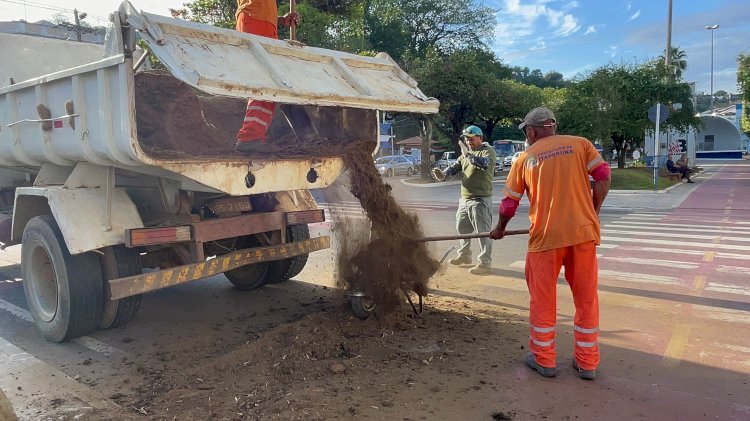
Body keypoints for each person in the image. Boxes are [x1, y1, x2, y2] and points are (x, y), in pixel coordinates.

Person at [490, 107, 611, 380]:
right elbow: (603, 176)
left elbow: (509, 204)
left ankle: (544, 359)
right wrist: (594, 211)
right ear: (552, 127)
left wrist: (499, 229)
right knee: (586, 299)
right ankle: (587, 363)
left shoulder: (525, 159)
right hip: (583, 234)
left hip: (545, 239)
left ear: (531, 132)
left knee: (543, 299)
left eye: (526, 132)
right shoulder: (581, 145)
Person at [234, 0, 300, 154]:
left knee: (265, 84)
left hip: (259, 22)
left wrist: (281, 20)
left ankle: (252, 136)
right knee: (267, 82)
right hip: (257, 21)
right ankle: (249, 137)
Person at [432, 125, 497, 276]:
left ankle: (485, 263)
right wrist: (443, 174)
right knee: (462, 229)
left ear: (480, 138)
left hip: (480, 200)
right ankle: (464, 255)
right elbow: (455, 167)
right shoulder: (465, 155)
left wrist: (467, 154)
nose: (469, 142)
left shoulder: (488, 151)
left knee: (483, 233)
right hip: (465, 199)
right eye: (467, 139)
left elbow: (483, 164)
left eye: (472, 139)